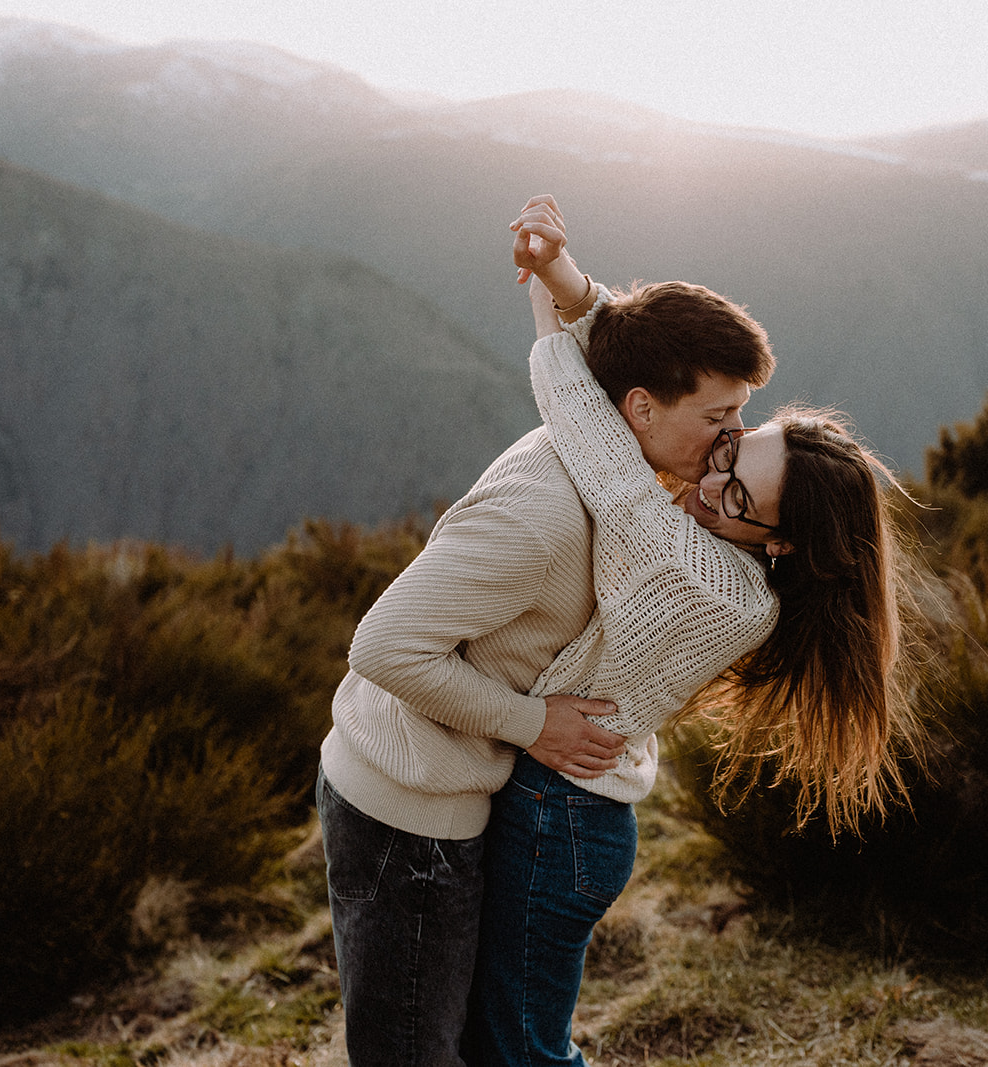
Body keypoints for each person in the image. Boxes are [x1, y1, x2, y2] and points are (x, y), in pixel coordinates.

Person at [316, 203, 776, 1067]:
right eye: (718, 415)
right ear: (638, 409)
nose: (735, 435)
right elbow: (382, 646)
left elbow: (597, 350)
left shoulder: (617, 447)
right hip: (406, 808)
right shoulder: (544, 512)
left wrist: (565, 280)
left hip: (458, 793)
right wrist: (538, 726)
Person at [464, 196, 916, 1067]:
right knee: (507, 1035)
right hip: (559, 804)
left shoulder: (714, 582)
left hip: (562, 820)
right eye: (730, 447)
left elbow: (593, 417)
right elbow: (650, 389)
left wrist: (544, 303)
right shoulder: (726, 530)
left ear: (779, 541)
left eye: (737, 491)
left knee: (519, 1050)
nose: (710, 477)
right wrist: (563, 274)